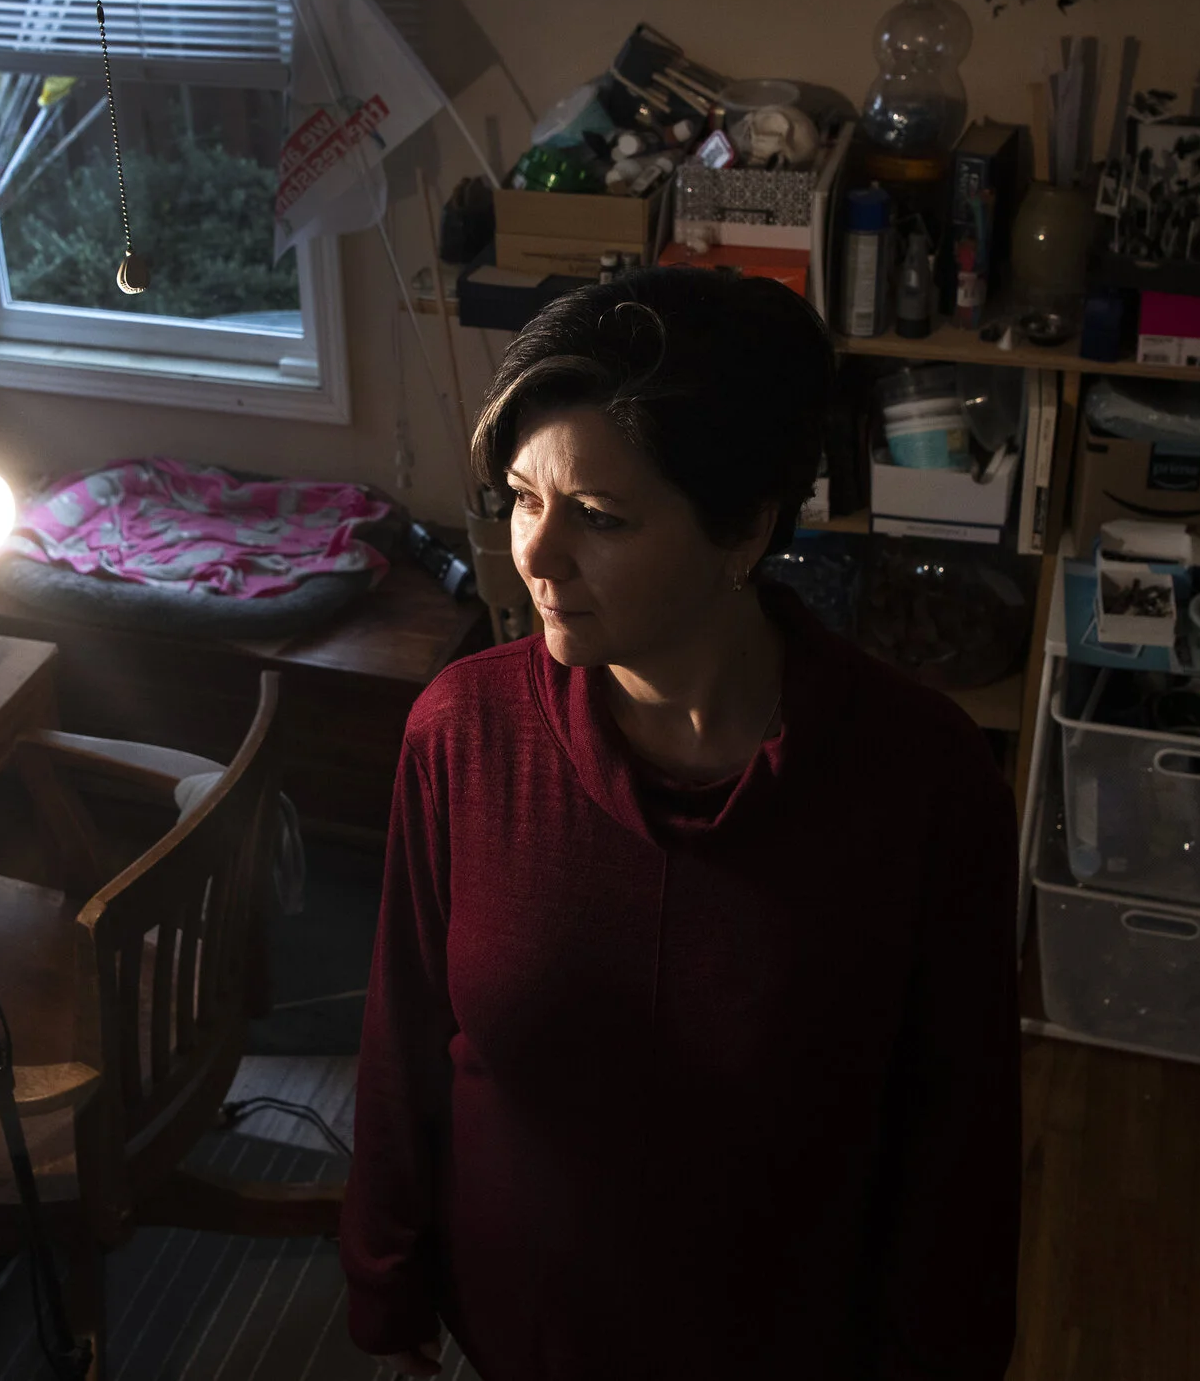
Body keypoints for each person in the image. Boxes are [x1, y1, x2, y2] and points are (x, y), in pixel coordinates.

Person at [339, 268, 1022, 1379]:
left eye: (600, 518)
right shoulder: (464, 730)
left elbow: (958, 1147)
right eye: (522, 497)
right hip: (506, 1337)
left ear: (744, 529)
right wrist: (385, 1289)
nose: (538, 557)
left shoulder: (922, 782)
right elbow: (401, 1041)